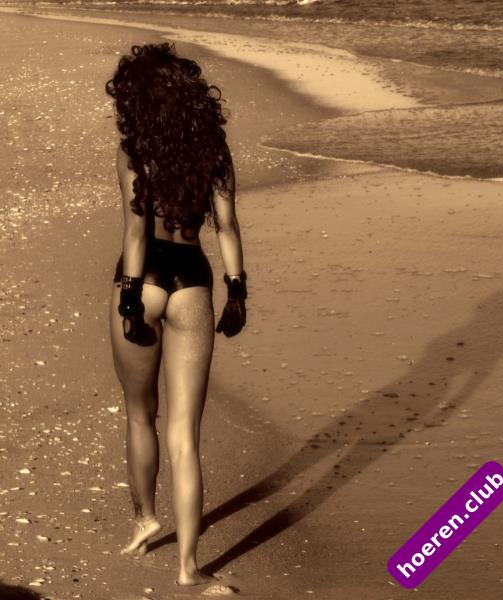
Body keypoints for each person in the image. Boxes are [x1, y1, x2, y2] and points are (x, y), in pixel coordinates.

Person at [106, 43, 247, 589]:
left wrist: (128, 298)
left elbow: (136, 233)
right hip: (193, 282)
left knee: (141, 413)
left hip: (141, 280)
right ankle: (188, 566)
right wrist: (236, 292)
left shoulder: (135, 151)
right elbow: (227, 227)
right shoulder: (214, 149)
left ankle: (145, 519)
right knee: (185, 434)